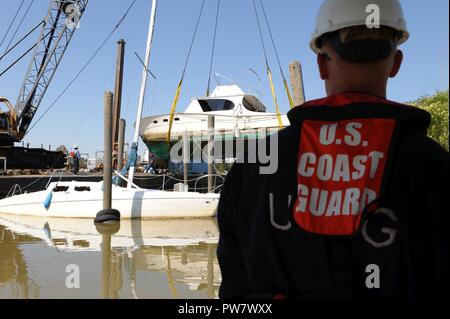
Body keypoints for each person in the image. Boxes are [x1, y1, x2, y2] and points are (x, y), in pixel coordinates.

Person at [217, 0, 448, 299]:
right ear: (396, 63)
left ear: (322, 64)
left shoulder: (252, 166)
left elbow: (234, 294)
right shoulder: (434, 167)